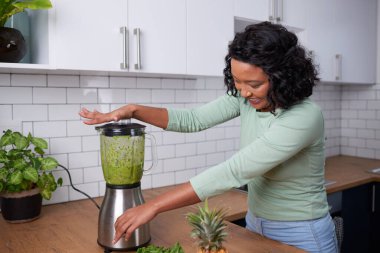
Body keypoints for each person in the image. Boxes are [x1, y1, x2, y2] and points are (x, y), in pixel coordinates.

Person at [79, 21, 338, 253]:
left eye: (255, 84)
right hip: (255, 222)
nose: (245, 93)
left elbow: (235, 171)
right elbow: (193, 120)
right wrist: (133, 110)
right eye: (237, 81)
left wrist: (153, 206)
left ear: (283, 77)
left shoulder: (304, 117)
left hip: (302, 232)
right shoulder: (248, 100)